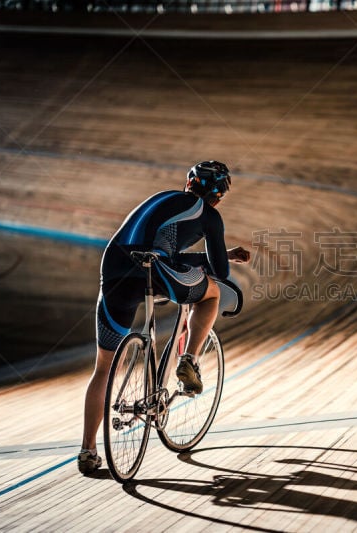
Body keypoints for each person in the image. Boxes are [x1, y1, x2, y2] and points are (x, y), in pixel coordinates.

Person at [78, 160, 250, 475]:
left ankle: (88, 450)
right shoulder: (209, 214)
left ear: (189, 182)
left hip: (116, 269)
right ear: (220, 196)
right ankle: (190, 359)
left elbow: (156, 245)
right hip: (158, 271)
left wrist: (216, 254)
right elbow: (220, 271)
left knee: (103, 368)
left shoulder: (161, 197)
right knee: (211, 292)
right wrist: (220, 257)